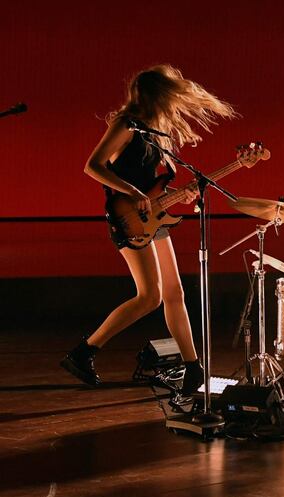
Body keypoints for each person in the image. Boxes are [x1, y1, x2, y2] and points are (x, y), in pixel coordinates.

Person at [60, 65, 237, 395]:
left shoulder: (153, 133)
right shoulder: (125, 124)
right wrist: (133, 193)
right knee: (150, 296)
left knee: (173, 294)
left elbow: (154, 185)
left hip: (151, 216)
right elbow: (93, 166)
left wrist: (182, 197)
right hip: (126, 216)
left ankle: (193, 369)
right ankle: (83, 352)